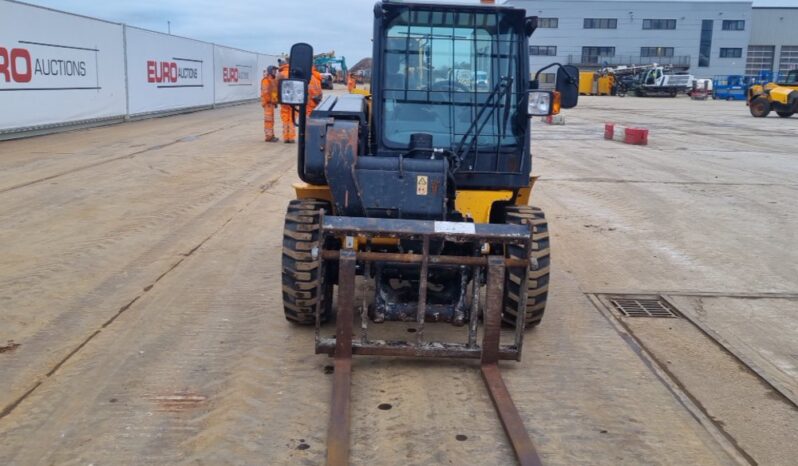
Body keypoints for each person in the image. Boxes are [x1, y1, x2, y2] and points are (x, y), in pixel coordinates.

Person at [278, 61, 296, 144]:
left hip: (284, 99)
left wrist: (276, 99)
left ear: (281, 66)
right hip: (293, 99)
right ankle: (291, 138)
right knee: (292, 119)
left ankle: (286, 138)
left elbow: (275, 87)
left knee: (285, 119)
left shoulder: (280, 74)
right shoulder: (293, 73)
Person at [260, 67, 279, 142]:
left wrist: (275, 101)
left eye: (275, 71)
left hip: (271, 103)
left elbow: (274, 92)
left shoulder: (273, 80)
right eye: (274, 71)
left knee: (271, 120)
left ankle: (271, 135)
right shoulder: (266, 80)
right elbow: (265, 92)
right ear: (270, 71)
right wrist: (270, 101)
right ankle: (269, 137)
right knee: (268, 121)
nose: (275, 72)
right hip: (268, 103)